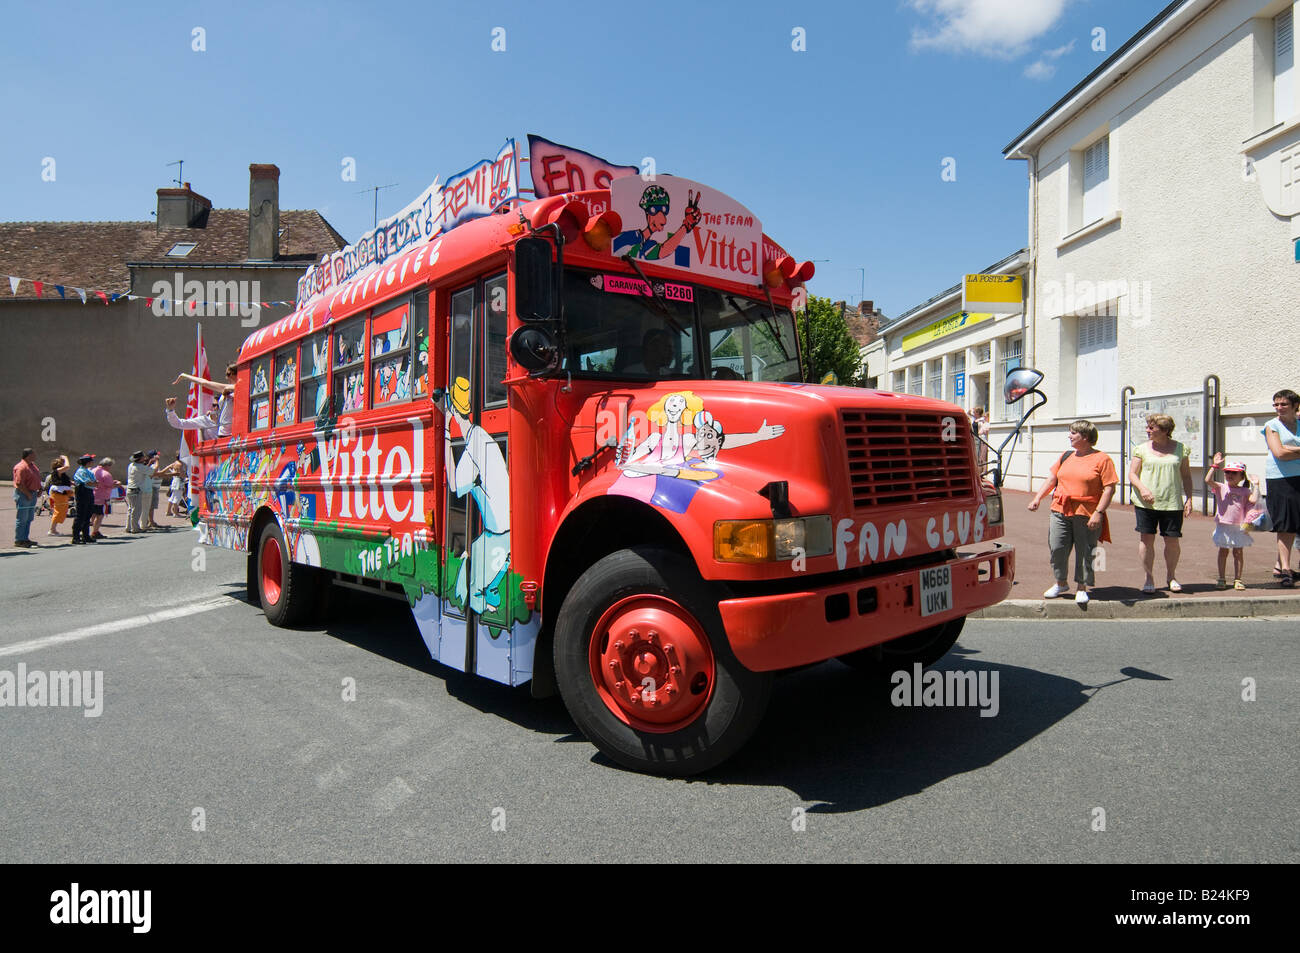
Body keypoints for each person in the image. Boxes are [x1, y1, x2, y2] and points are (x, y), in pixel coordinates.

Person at [1026, 420, 1118, 604]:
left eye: (1073, 433)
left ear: (1085, 437)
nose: (1069, 436)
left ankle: (1082, 586)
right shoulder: (1066, 456)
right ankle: (1061, 582)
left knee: (1086, 550)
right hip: (1060, 509)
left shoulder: (1102, 459)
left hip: (1087, 512)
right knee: (1057, 547)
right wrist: (1037, 498)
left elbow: (1109, 489)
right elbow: (1052, 479)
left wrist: (1098, 512)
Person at [1129, 414, 1193, 593]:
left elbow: (1186, 476)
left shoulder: (1181, 449)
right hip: (1145, 503)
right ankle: (1148, 578)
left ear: (1164, 431)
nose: (1147, 430)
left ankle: (1171, 576)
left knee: (1172, 541)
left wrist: (1189, 498)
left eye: (1152, 428)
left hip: (1172, 503)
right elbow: (1133, 474)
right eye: (1148, 427)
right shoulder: (1141, 449)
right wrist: (1143, 489)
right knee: (1146, 540)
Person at [1261, 388, 1300, 588]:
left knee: (1298, 524)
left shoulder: (1298, 422)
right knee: (1286, 525)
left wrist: (1291, 449)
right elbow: (1279, 453)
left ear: (1295, 406)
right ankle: (1285, 569)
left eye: (1284, 404)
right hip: (1281, 480)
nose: (1279, 408)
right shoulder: (1272, 425)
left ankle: (1284, 565)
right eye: (1276, 404)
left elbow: (1286, 450)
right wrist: (1289, 450)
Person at [1204, 453, 1259, 590]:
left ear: (1241, 477)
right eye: (1228, 472)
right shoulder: (1221, 487)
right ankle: (1221, 578)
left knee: (1238, 553)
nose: (1230, 475)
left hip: (1239, 526)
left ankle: (1238, 579)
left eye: (1234, 473)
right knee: (1223, 552)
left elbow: (1253, 500)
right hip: (1223, 525)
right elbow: (1207, 480)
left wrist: (1257, 485)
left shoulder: (1245, 490)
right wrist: (1215, 465)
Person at [173, 362, 236, 437]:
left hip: (232, 434)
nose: (227, 377)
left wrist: (228, 388)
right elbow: (205, 383)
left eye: (229, 374)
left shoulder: (240, 387)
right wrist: (185, 376)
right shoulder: (226, 388)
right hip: (222, 433)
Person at [11, 448, 42, 548]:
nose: (35, 456)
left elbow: (37, 477)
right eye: (34, 454)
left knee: (29, 518)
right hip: (23, 494)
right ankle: (19, 540)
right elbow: (19, 483)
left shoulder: (32, 465)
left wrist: (40, 489)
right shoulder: (21, 467)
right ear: (28, 455)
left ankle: (25, 538)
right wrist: (28, 494)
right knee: (22, 518)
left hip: (32, 493)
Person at [90, 457, 121, 540]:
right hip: (101, 496)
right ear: (107, 465)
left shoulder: (93, 470)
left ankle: (89, 530)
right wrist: (117, 484)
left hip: (93, 494)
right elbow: (110, 485)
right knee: (100, 515)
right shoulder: (106, 473)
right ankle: (95, 532)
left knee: (93, 514)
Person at [71, 454, 98, 544]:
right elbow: (89, 483)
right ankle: (76, 537)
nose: (93, 462)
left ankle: (86, 535)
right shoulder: (81, 471)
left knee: (88, 514)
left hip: (89, 493)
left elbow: (95, 482)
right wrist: (93, 483)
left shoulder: (88, 471)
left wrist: (94, 483)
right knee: (80, 515)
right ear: (88, 462)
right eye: (91, 461)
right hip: (82, 493)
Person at [45, 455, 73, 536]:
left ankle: (53, 529)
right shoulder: (57, 471)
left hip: (62, 493)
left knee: (62, 511)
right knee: (58, 511)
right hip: (58, 494)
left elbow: (64, 481)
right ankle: (52, 529)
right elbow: (67, 466)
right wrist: (66, 458)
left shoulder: (61, 473)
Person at [125, 451, 146, 534]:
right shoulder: (140, 467)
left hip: (130, 488)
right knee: (136, 509)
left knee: (130, 509)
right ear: (140, 459)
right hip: (136, 489)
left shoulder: (131, 465)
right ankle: (135, 528)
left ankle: (128, 527)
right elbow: (152, 472)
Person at [971, 406, 991, 471]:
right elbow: (968, 413)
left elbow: (982, 430)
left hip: (978, 438)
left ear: (978, 413)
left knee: (979, 455)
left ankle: (980, 471)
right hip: (974, 438)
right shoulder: (975, 419)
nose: (973, 413)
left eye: (975, 412)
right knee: (975, 454)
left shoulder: (981, 420)